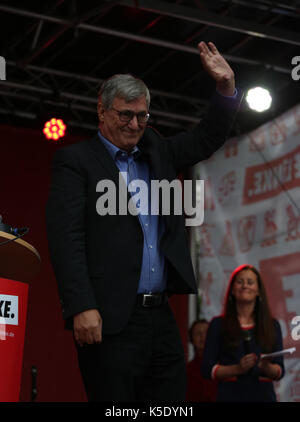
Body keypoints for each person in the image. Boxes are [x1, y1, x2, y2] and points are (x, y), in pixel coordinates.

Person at [46, 41, 242, 402]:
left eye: (142, 116)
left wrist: (226, 89)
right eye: (125, 115)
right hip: (107, 317)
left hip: (160, 317)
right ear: (101, 112)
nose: (135, 124)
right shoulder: (76, 162)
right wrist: (81, 306)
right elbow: (65, 238)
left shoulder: (159, 153)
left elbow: (208, 137)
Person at [201, 264, 285, 402]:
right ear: (232, 290)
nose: (245, 286)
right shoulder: (217, 325)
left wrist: (266, 367)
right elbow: (207, 369)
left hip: (263, 397)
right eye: (240, 282)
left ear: (258, 291)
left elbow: (280, 371)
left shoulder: (272, 325)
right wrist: (237, 369)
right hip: (230, 396)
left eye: (250, 282)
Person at [186, 319, 217, 401]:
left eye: (206, 333)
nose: (203, 337)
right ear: (191, 339)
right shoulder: (186, 371)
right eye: (198, 333)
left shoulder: (222, 367)